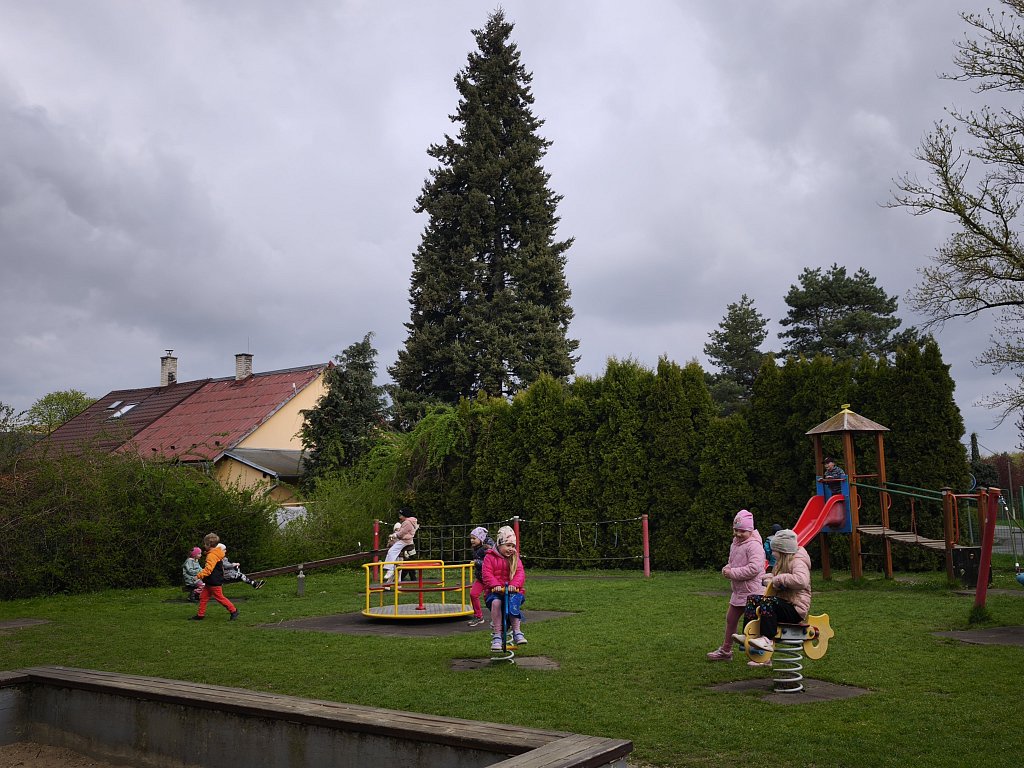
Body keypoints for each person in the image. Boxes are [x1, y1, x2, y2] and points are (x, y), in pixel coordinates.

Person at [735, 528, 812, 657]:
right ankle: (748, 634)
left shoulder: (798, 562)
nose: (772, 552)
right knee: (753, 599)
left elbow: (802, 580)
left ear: (783, 551)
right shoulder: (780, 562)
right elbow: (777, 577)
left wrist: (778, 579)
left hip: (796, 609)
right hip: (783, 604)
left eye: (774, 550)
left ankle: (767, 639)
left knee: (768, 602)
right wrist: (769, 578)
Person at [707, 510, 765, 662]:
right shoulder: (735, 544)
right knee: (731, 619)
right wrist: (727, 568)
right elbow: (732, 562)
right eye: (736, 530)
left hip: (753, 593)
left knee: (753, 625)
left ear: (750, 530)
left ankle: (762, 655)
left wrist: (732, 573)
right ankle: (726, 650)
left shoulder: (754, 546)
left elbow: (754, 568)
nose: (738, 534)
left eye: (742, 531)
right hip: (739, 591)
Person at [482, 525, 527, 651]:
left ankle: (517, 631)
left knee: (513, 601)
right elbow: (487, 574)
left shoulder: (515, 558)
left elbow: (520, 573)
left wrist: (514, 585)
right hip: (494, 592)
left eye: (513, 546)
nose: (511, 549)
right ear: (499, 544)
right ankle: (497, 635)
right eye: (508, 545)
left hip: (512, 591)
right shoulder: (489, 557)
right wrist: (495, 585)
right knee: (496, 603)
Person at [188, 532, 239, 621]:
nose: (204, 545)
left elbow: (208, 570)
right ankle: (200, 615)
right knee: (203, 597)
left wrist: (198, 576)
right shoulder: (215, 553)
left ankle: (234, 611)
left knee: (220, 598)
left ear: (209, 545)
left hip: (214, 581)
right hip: (211, 581)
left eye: (205, 544)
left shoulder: (211, 556)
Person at [467, 526, 495, 627]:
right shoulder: (476, 548)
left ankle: (498, 617)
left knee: (489, 599)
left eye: (474, 538)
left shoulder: (487, 549)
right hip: (480, 578)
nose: (472, 540)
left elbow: (489, 563)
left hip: (488, 578)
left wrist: (476, 562)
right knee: (473, 594)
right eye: (471, 538)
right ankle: (478, 616)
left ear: (481, 538)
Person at [382, 508, 418, 583]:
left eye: (401, 515)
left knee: (392, 551)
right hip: (407, 540)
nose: (399, 517)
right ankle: (391, 574)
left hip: (405, 541)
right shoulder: (411, 521)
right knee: (394, 554)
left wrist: (394, 535)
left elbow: (402, 533)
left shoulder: (407, 522)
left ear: (405, 515)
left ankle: (390, 570)